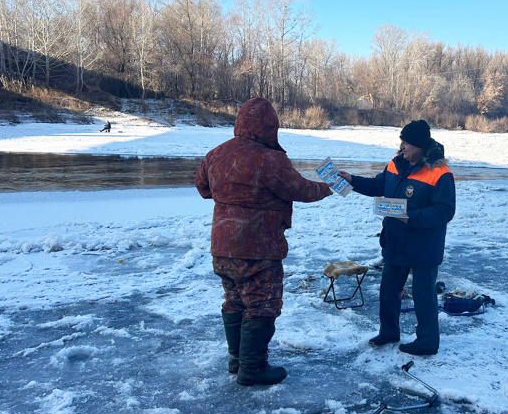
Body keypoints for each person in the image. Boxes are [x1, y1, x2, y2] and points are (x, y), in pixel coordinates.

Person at [195, 98, 333, 386]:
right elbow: (300, 189)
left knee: (234, 300)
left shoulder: (215, 154)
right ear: (270, 127)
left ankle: (238, 360)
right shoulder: (269, 159)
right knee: (261, 303)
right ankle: (253, 368)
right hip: (258, 245)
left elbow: (203, 188)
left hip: (222, 244)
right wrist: (326, 187)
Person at [339, 120, 455, 356]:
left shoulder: (440, 174)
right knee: (389, 289)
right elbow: (379, 185)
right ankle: (388, 332)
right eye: (401, 141)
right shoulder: (395, 163)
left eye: (407, 142)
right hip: (396, 239)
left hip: (424, 244)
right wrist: (352, 179)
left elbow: (445, 211)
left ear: (420, 146)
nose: (402, 146)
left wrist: (409, 217)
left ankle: (427, 342)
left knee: (424, 294)